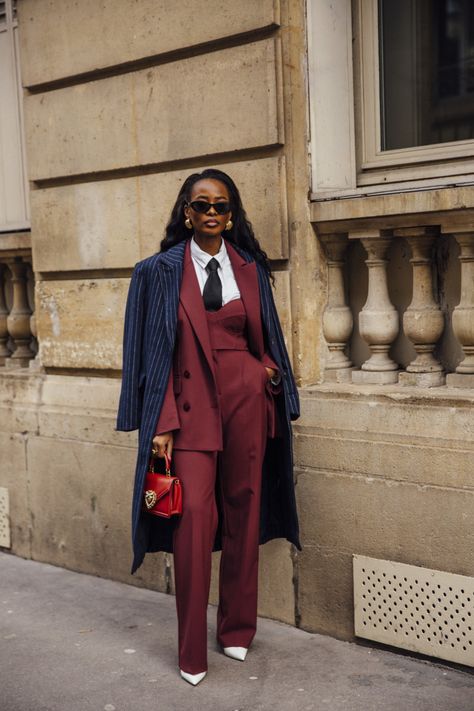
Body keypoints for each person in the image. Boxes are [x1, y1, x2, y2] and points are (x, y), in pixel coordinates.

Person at [116, 168, 301, 686]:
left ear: (231, 214)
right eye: (203, 205)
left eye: (222, 206)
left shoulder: (250, 268)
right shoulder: (156, 271)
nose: (213, 214)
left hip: (247, 403)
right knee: (193, 519)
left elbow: (267, 337)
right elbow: (144, 354)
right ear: (187, 213)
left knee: (244, 508)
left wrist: (266, 369)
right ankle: (191, 651)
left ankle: (237, 630)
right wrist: (158, 421)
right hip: (187, 405)